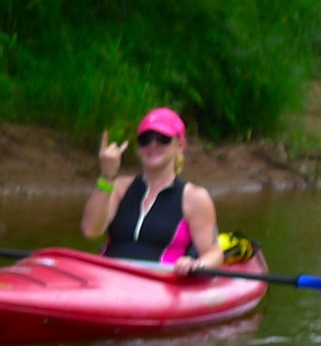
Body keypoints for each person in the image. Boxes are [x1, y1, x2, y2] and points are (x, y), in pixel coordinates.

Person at [80, 107, 220, 275]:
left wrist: (196, 264)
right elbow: (91, 231)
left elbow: (214, 253)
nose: (152, 145)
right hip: (110, 280)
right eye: (145, 139)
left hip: (161, 284)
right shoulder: (119, 187)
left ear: (180, 145)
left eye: (163, 138)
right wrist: (107, 175)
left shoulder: (194, 198)